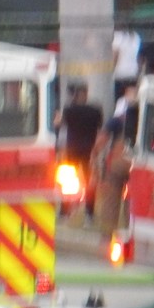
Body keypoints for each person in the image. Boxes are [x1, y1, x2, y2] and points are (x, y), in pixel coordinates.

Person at [55, 83, 102, 216]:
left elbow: (60, 124)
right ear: (86, 95)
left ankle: (65, 209)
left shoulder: (69, 110)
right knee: (89, 182)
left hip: (72, 149)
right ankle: (89, 211)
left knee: (68, 181)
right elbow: (99, 128)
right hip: (89, 150)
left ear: (75, 95)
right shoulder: (95, 110)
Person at [91, 115, 134, 236]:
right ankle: (129, 234)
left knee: (110, 204)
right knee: (131, 203)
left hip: (116, 161)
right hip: (136, 165)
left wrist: (94, 154)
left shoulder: (116, 121)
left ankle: (107, 237)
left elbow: (102, 139)